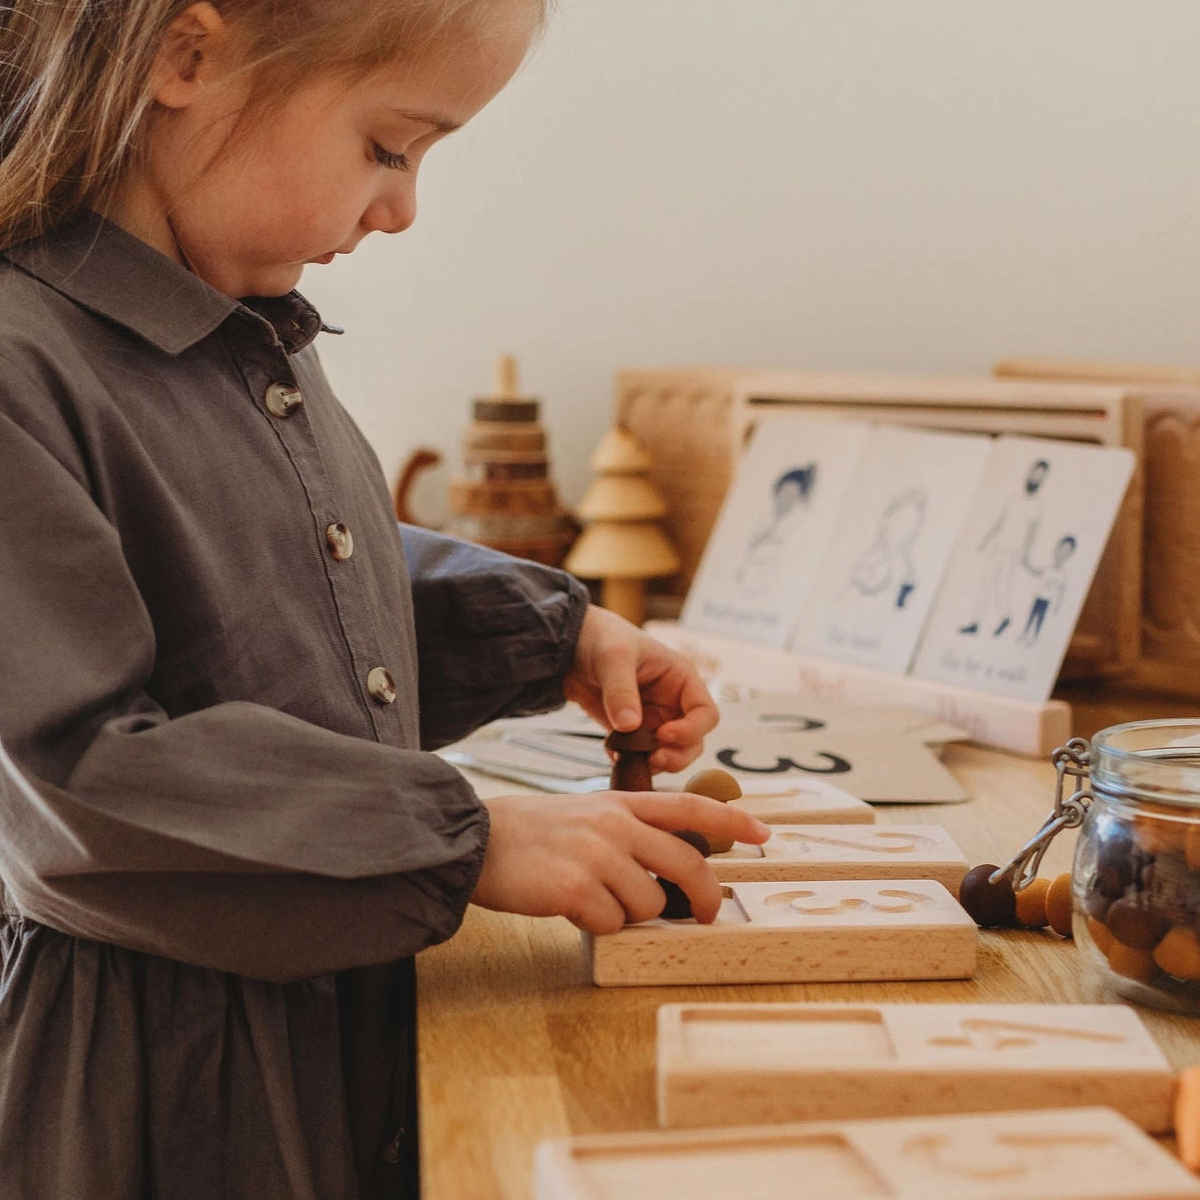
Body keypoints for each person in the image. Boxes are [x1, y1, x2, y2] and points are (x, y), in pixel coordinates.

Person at [0, 3, 769, 1197]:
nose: (403, 208)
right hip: (161, 1082)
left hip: (331, 1011)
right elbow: (85, 780)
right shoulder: (16, 366)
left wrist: (545, 632)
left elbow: (281, 565)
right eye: (390, 148)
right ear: (186, 57)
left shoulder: (240, 312)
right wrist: (472, 842)